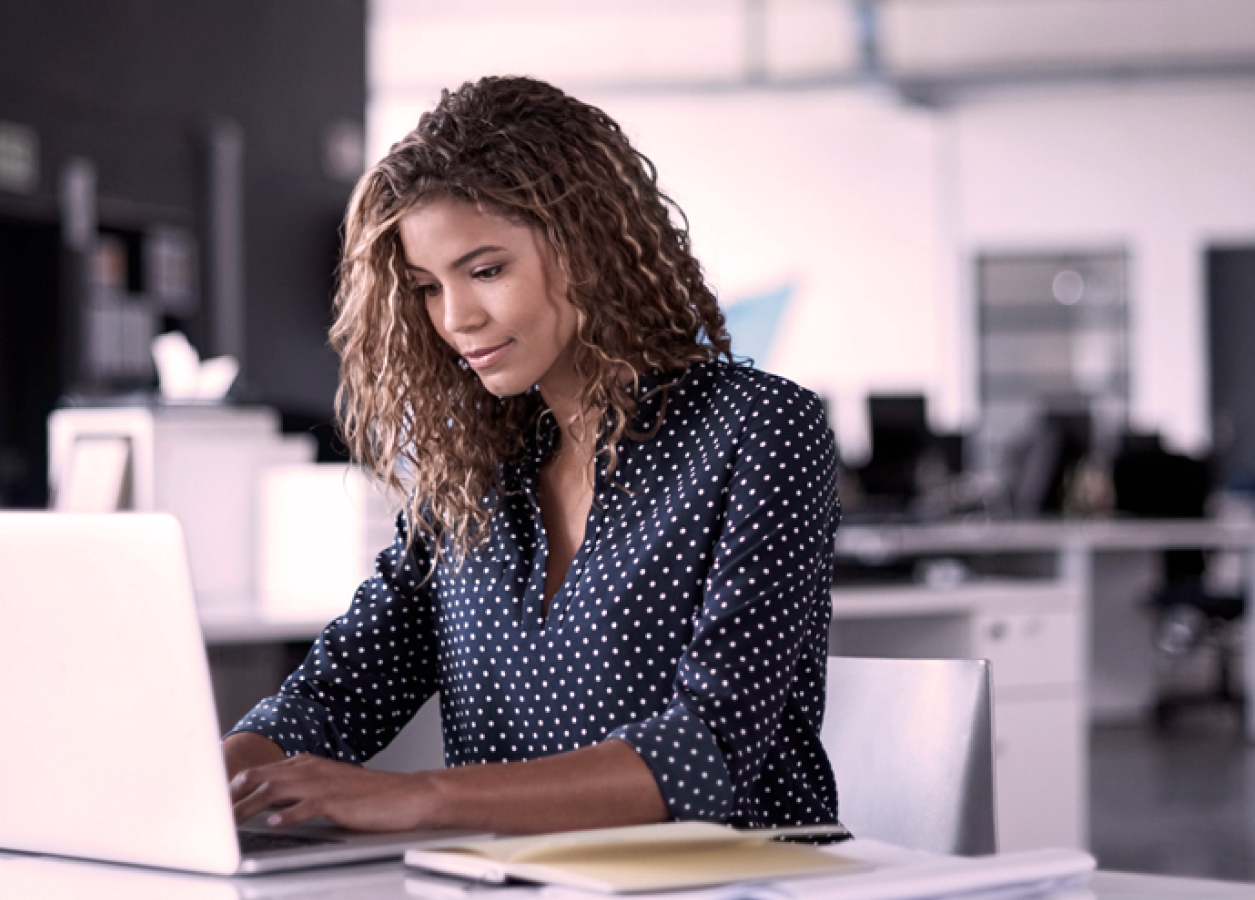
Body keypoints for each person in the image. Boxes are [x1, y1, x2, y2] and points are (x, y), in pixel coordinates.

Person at [222, 76, 841, 837]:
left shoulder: (761, 429)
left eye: (486, 271)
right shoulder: (476, 467)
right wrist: (210, 781)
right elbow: (339, 693)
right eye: (425, 287)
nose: (456, 319)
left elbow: (706, 751)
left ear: (593, 247)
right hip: (511, 883)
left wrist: (423, 796)